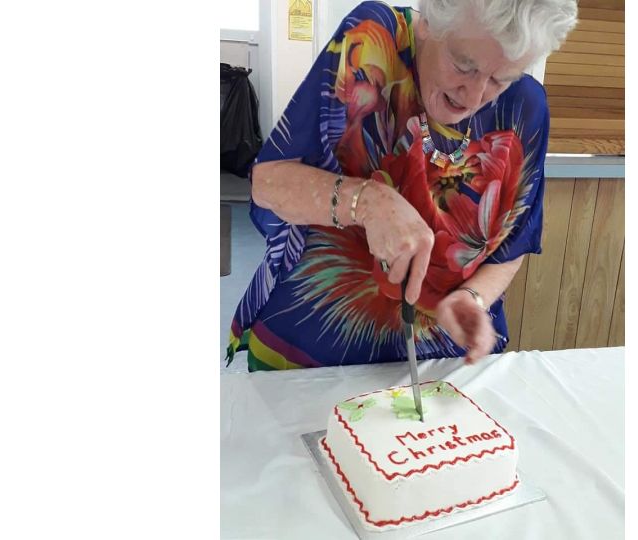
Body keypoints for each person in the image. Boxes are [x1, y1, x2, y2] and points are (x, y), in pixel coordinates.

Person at [226, 0, 578, 371]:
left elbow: (513, 245)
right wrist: (366, 201)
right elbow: (268, 184)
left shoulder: (524, 109)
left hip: (444, 364)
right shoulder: (371, 42)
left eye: (499, 79)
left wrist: (473, 298)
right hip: (315, 355)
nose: (473, 97)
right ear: (428, 21)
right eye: (464, 65)